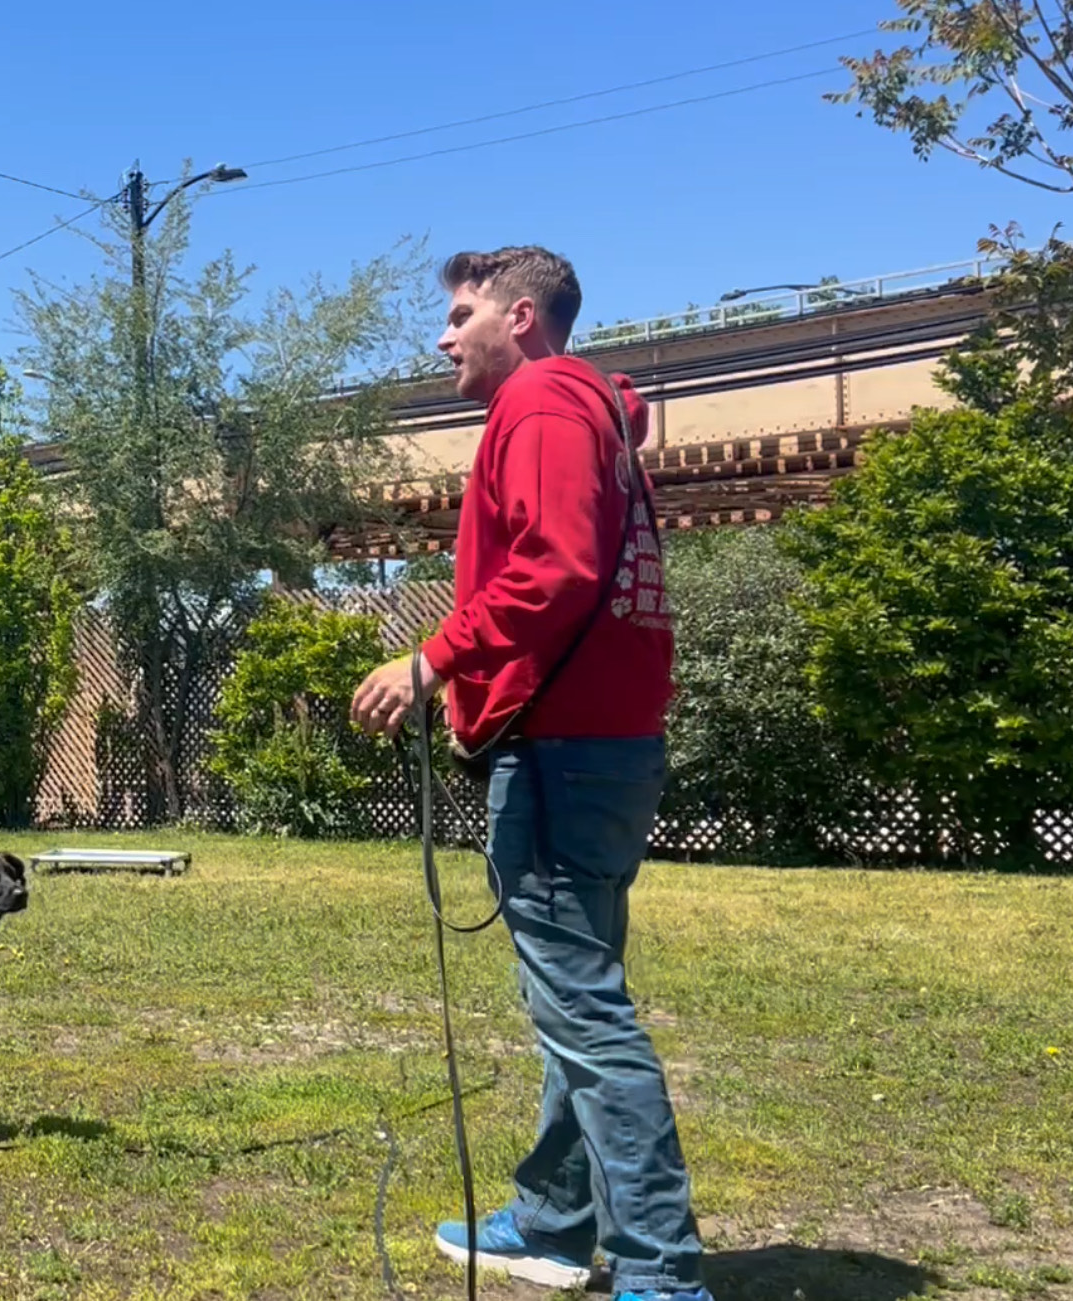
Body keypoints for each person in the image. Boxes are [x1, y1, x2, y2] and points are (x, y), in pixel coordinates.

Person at [349, 246, 709, 1301]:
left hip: (559, 749)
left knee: (584, 1011)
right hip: (605, 741)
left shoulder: (542, 400)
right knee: (574, 994)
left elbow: (552, 568)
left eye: (461, 314)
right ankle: (553, 1223)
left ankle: (659, 1272)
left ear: (521, 315)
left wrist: (430, 658)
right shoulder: (591, 409)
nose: (442, 334)